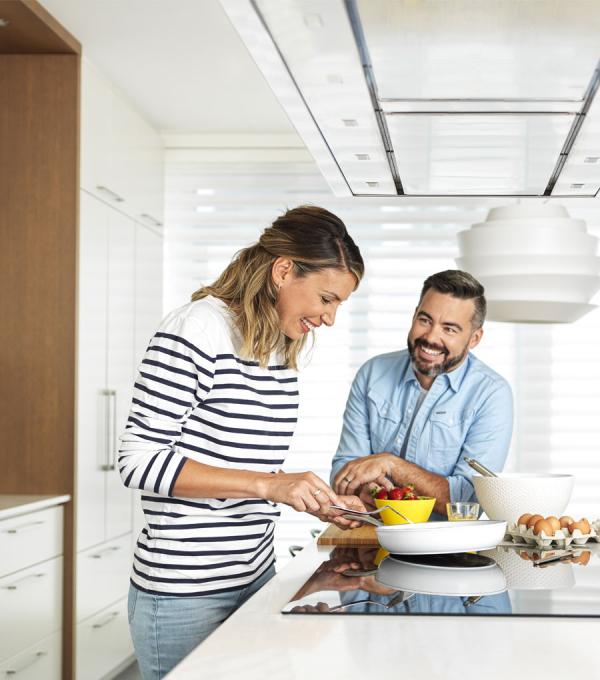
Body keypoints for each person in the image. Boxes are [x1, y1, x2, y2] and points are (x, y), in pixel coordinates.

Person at [119, 205, 366, 679]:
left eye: (338, 305)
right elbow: (138, 460)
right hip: (184, 592)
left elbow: (239, 465)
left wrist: (315, 500)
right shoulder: (197, 328)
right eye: (326, 298)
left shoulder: (277, 347)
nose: (330, 318)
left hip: (253, 578)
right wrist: (271, 485)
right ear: (283, 270)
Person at [331, 270, 513, 518]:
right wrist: (365, 487)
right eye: (425, 320)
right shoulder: (373, 374)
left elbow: (469, 500)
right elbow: (345, 468)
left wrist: (390, 464)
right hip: (369, 537)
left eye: (449, 329)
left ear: (474, 338)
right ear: (414, 315)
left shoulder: (491, 394)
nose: (430, 337)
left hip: (447, 550)